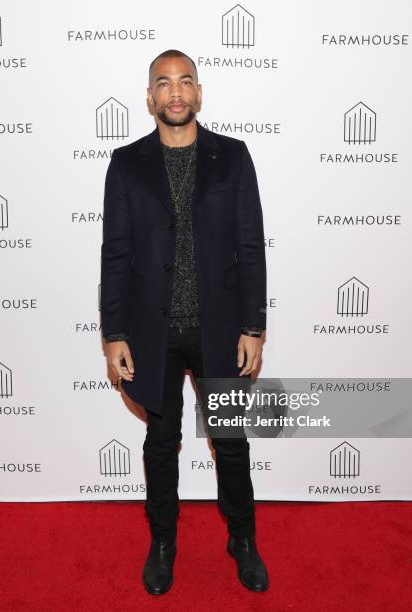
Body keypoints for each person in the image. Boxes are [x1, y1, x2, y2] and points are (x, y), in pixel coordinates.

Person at [100, 49, 269, 595]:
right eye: (164, 83)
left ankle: (242, 540)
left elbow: (250, 245)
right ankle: (163, 542)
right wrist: (114, 334)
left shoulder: (234, 157)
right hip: (154, 332)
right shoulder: (126, 165)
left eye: (186, 81)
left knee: (232, 442)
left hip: (220, 330)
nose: (176, 92)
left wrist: (253, 326)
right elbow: (116, 254)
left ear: (199, 93)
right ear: (150, 99)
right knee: (160, 443)